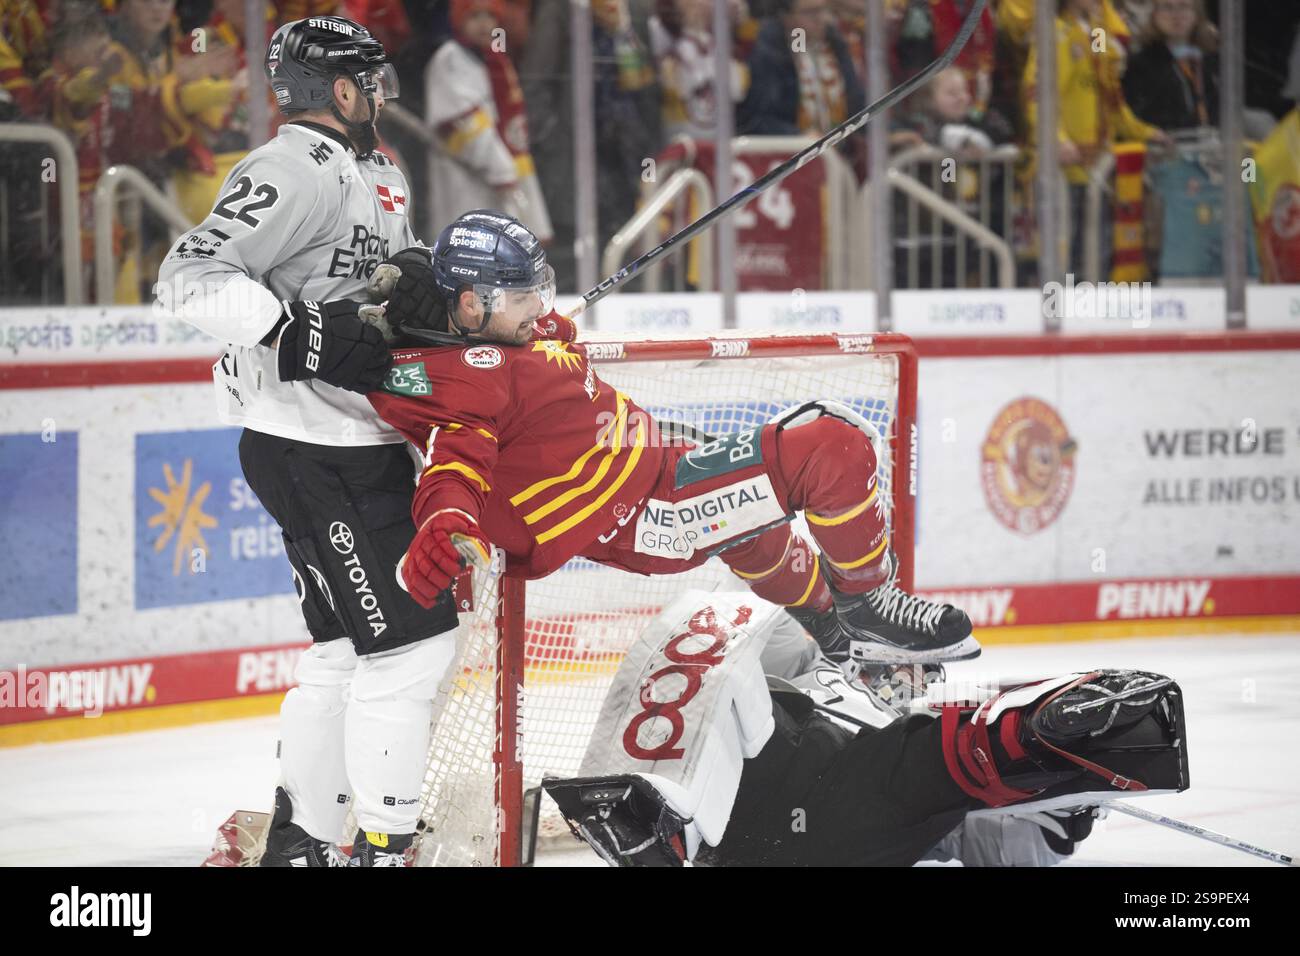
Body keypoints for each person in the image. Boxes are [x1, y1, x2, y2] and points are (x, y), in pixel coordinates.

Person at [366, 209, 978, 669]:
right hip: (650, 511)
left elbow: (539, 358)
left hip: (657, 466)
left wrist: (540, 322)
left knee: (757, 522)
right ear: (472, 304)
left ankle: (835, 636)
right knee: (835, 441)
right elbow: (456, 465)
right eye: (521, 296)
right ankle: (867, 606)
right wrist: (446, 525)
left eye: (538, 290)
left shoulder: (506, 338)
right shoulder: (470, 380)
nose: (537, 307)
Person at [156, 15, 458, 867]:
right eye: (373, 80)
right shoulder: (288, 167)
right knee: (410, 648)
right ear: (342, 90)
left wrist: (437, 291)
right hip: (313, 447)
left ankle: (305, 840)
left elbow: (380, 288)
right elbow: (188, 278)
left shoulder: (381, 170)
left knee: (342, 651)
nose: (384, 95)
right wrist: (301, 334)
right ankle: (382, 847)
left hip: (352, 442)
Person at [541, 592, 1185, 866]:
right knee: (895, 769)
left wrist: (1066, 810)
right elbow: (740, 639)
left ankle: (1041, 747)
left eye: (930, 673)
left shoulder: (901, 724)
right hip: (775, 802)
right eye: (919, 667)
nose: (923, 681)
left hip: (819, 836)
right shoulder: (817, 659)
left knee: (920, 780)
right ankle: (666, 817)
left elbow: (984, 843)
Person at [424, 0, 553, 245]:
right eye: (474, 17)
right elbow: (464, 126)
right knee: (468, 254)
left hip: (496, 181)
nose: (484, 24)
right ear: (459, 21)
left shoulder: (495, 60)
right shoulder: (450, 58)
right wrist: (503, 171)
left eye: (489, 16)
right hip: (468, 180)